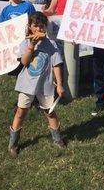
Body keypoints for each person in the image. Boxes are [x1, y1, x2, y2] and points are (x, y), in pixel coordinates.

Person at [8, 12, 66, 157]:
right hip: (27, 84)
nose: (39, 29)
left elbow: (57, 65)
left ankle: (57, 139)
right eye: (35, 26)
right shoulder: (25, 43)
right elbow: (24, 62)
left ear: (45, 27)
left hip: (45, 84)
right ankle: (13, 143)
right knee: (21, 112)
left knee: (50, 111)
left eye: (41, 26)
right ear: (30, 27)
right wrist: (32, 46)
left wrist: (59, 84)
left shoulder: (51, 44)